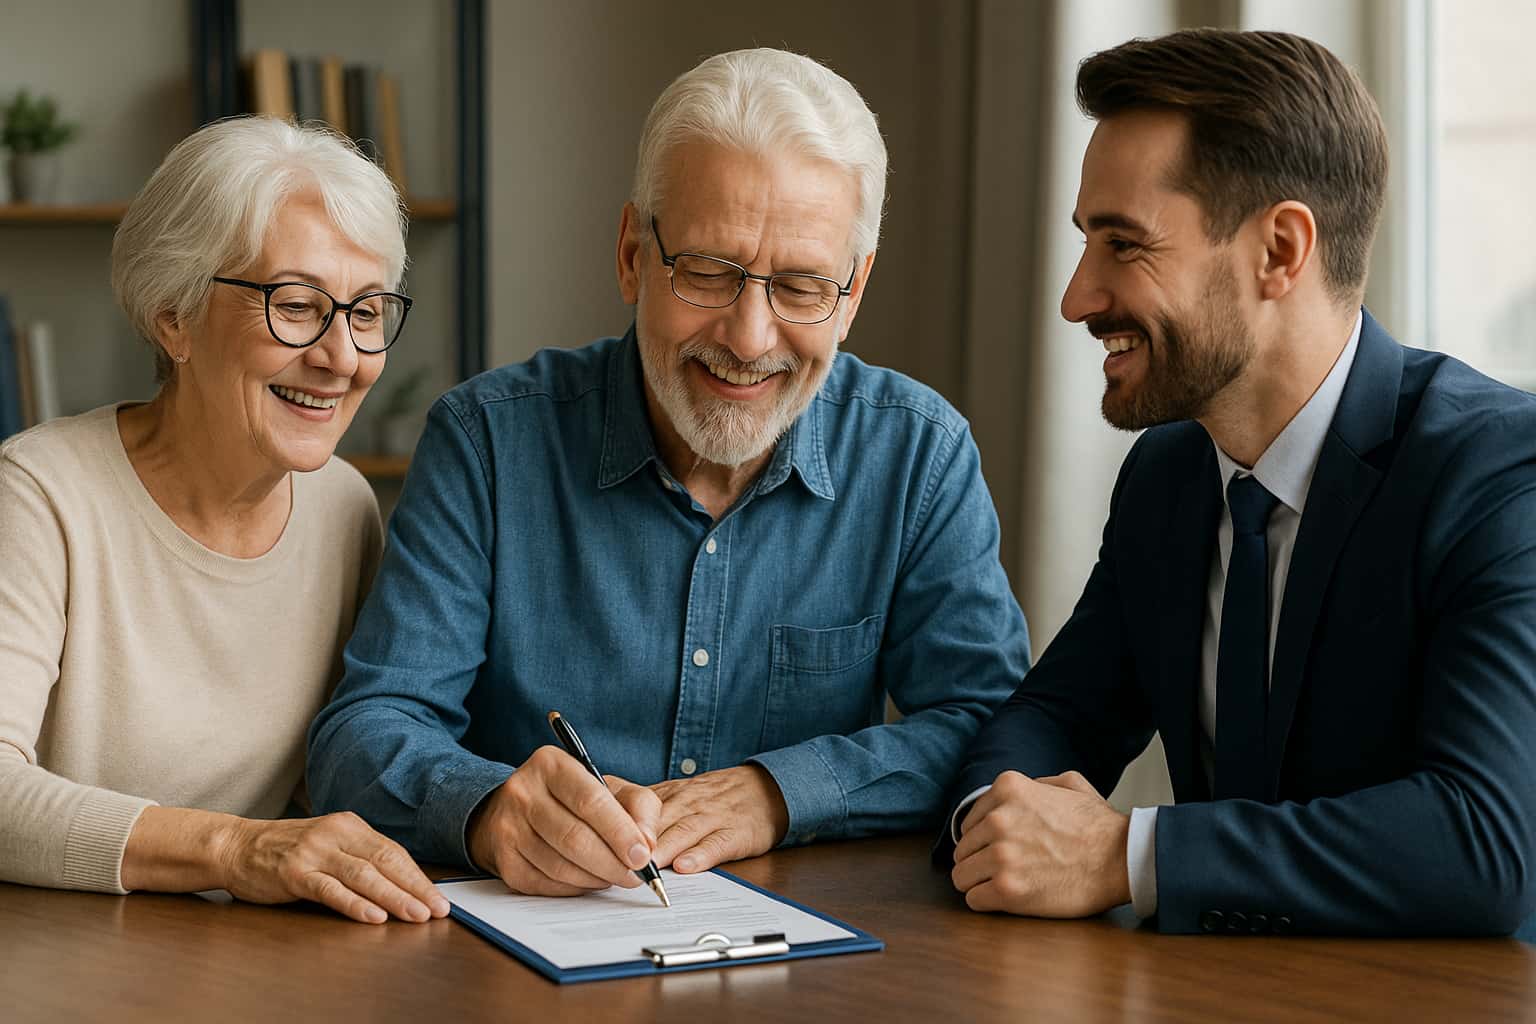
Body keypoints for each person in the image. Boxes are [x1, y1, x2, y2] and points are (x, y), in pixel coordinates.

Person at [307, 47, 1029, 897]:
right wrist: (489, 809)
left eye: (800, 287)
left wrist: (779, 794)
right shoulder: (488, 443)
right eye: (709, 272)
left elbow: (989, 730)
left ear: (854, 291)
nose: (750, 338)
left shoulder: (919, 456)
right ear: (630, 255)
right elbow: (363, 734)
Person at [941, 28, 1536, 938]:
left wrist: (1122, 854)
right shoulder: (1169, 475)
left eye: (1124, 244)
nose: (1075, 297)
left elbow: (1483, 845)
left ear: (1280, 251)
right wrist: (997, 822)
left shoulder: (1497, 473)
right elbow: (1054, 715)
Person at [0, 117, 449, 925]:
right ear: (174, 315)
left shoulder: (346, 508)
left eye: (368, 312)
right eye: (299, 304)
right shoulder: (39, 493)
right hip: (60, 956)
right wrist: (236, 849)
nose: (342, 357)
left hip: (257, 958)